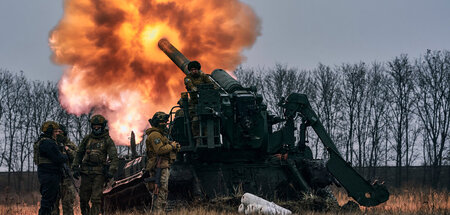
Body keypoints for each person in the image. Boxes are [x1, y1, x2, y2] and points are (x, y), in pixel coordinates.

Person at [72, 114, 118, 215]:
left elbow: (114, 157)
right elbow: (79, 153)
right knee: (83, 199)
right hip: (85, 173)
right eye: (94, 126)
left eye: (99, 126)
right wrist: (75, 167)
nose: (96, 128)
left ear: (102, 126)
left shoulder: (107, 140)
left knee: (96, 199)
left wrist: (111, 171)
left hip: (99, 174)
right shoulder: (87, 139)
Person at [144, 112, 180, 211]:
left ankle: (158, 211)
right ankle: (157, 211)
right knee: (160, 191)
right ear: (156, 123)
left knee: (161, 191)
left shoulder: (161, 135)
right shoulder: (155, 135)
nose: (164, 124)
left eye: (165, 122)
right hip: (158, 165)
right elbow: (159, 150)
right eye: (162, 122)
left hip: (163, 164)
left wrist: (174, 146)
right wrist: (172, 146)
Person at [34, 121, 68, 215]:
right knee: (47, 203)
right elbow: (58, 158)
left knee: (48, 202)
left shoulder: (42, 141)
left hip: (47, 175)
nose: (57, 134)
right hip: (50, 176)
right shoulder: (47, 143)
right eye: (56, 131)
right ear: (50, 131)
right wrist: (65, 156)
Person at [183, 61, 213, 144]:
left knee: (208, 122)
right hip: (194, 104)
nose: (193, 71)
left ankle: (208, 139)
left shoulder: (203, 76)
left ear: (198, 69)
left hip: (206, 103)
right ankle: (198, 139)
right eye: (192, 70)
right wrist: (193, 88)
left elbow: (211, 84)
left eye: (195, 69)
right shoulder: (188, 78)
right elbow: (189, 84)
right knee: (195, 121)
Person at [52, 124, 78, 215]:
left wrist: (66, 149)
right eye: (57, 132)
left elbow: (76, 157)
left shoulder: (70, 144)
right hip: (54, 177)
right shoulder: (51, 144)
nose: (58, 134)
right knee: (53, 205)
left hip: (67, 179)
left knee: (68, 204)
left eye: (60, 132)